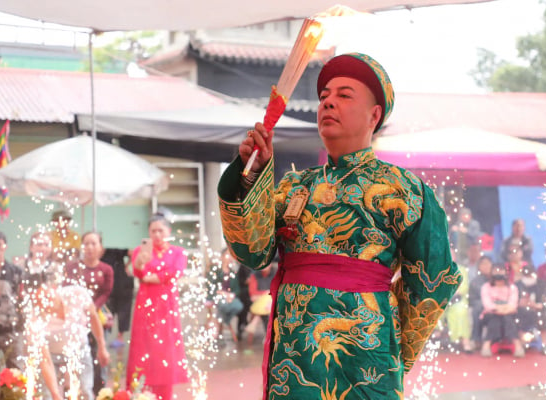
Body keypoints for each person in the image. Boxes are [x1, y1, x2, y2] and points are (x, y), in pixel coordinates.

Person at [217, 53, 462, 399]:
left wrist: (392, 347)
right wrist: (252, 173)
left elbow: (435, 279)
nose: (328, 101)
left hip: (367, 357)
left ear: (374, 115)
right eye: (324, 97)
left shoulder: (406, 190)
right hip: (295, 355)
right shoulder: (292, 186)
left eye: (344, 95)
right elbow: (253, 252)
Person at [127, 213, 188, 400]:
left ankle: (165, 394)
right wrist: (140, 263)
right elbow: (138, 272)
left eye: (160, 230)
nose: (157, 235)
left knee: (165, 349)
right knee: (143, 347)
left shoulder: (178, 252)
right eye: (153, 231)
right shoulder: (141, 250)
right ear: (148, 232)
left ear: (168, 231)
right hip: (145, 306)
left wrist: (155, 277)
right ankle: (140, 393)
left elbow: (176, 272)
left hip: (166, 307)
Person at [26, 272, 110, 400]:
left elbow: (93, 317)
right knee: (46, 396)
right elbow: (45, 359)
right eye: (38, 302)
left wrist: (102, 346)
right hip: (52, 355)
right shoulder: (34, 318)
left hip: (79, 350)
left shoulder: (76, 294)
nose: (45, 305)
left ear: (53, 288)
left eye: (47, 298)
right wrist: (55, 394)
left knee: (84, 391)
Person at [64, 231, 114, 395]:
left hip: (96, 316)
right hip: (75, 320)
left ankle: (99, 393)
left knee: (98, 357)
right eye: (86, 243)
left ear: (101, 247)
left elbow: (106, 292)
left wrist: (92, 307)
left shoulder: (106, 269)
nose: (90, 247)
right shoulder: (72, 267)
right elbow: (67, 289)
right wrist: (79, 308)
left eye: (94, 243)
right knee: (75, 358)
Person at [479, 264, 523, 358]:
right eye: (496, 270)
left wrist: (504, 310)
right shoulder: (486, 287)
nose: (499, 272)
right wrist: (499, 309)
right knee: (494, 318)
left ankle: (517, 344)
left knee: (507, 318)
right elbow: (487, 305)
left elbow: (513, 304)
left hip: (509, 314)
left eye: (501, 270)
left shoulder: (512, 287)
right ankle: (487, 344)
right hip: (490, 314)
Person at [0, 231, 26, 370]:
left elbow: (22, 301)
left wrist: (22, 326)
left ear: (5, 247)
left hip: (12, 331)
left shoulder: (16, 272)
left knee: (16, 373)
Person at [206, 249, 244, 347]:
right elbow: (210, 287)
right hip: (217, 296)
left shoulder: (232, 273)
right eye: (227, 255)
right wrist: (221, 293)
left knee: (239, 306)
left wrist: (231, 295)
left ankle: (222, 323)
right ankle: (219, 331)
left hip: (229, 297)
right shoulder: (215, 271)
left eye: (231, 256)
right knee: (222, 305)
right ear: (222, 257)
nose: (229, 258)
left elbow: (237, 289)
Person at [515, 264, 546, 354]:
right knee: (516, 316)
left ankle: (545, 344)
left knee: (544, 314)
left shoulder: (542, 284)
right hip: (521, 310)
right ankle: (522, 342)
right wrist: (520, 303)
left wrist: (535, 305)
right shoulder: (517, 285)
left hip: (538, 310)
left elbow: (545, 302)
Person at [101, 246, 134, 348]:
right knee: (107, 310)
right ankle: (103, 337)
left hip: (123, 284)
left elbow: (132, 253)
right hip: (108, 285)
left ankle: (120, 337)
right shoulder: (95, 256)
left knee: (123, 311)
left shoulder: (113, 250)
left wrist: (127, 266)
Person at [468, 255, 493, 352]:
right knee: (478, 307)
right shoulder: (475, 281)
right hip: (480, 306)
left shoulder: (497, 279)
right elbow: (473, 299)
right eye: (483, 264)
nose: (486, 266)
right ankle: (476, 339)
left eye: (488, 263)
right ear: (479, 267)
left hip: (496, 305)